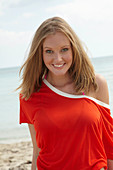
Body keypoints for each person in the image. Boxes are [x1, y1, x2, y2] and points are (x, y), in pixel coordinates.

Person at [18, 16, 113, 170]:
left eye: (64, 49)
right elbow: (37, 151)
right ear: (40, 54)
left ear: (73, 49)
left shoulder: (96, 85)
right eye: (49, 51)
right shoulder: (29, 96)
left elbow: (109, 144)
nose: (58, 58)